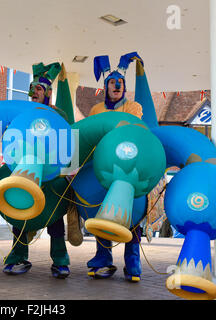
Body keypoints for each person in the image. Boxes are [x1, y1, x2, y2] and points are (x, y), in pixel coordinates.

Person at [2, 62, 71, 279]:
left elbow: (70, 139)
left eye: (38, 88)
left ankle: (60, 260)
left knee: (55, 218)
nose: (33, 92)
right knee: (19, 213)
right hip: (26, 171)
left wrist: (70, 169)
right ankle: (17, 256)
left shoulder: (57, 114)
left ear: (48, 93)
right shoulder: (21, 113)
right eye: (31, 89)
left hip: (51, 176)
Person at [87, 53, 144, 282]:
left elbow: (134, 129)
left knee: (134, 213)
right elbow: (89, 135)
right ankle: (103, 258)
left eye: (119, 82)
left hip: (129, 166)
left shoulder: (133, 107)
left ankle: (133, 262)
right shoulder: (96, 109)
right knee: (104, 211)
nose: (116, 85)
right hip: (103, 166)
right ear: (106, 86)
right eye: (112, 82)